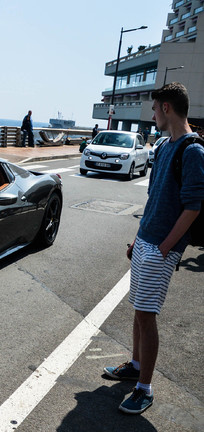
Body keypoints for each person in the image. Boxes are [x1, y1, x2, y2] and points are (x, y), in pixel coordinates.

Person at [103, 83, 204, 415]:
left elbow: (193, 207)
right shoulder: (163, 146)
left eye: (154, 108)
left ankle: (144, 389)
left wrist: (164, 248)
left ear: (166, 109)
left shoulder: (193, 152)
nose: (152, 115)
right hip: (146, 240)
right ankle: (135, 364)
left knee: (147, 316)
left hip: (161, 248)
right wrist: (139, 237)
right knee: (138, 310)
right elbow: (153, 201)